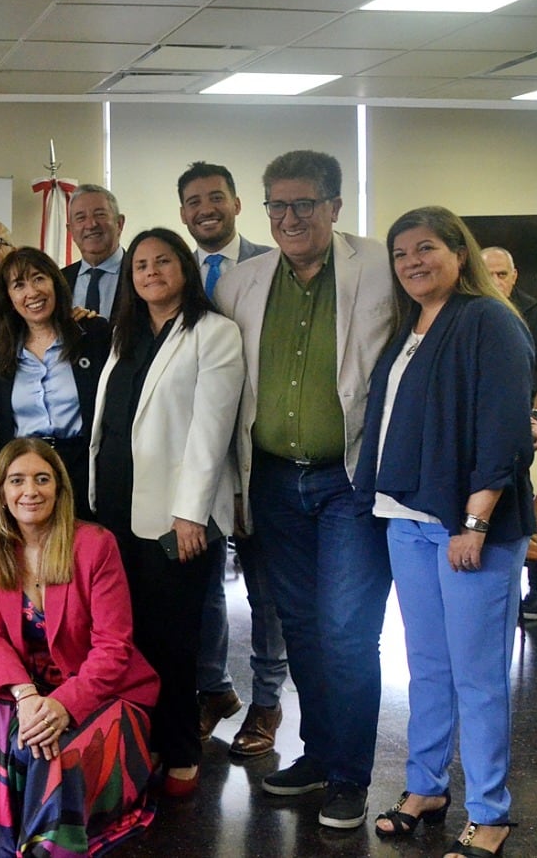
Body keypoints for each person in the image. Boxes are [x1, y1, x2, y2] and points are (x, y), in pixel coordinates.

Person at [213, 148, 397, 829]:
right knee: (305, 631)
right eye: (278, 206)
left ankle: (350, 775)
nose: (289, 218)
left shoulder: (379, 266)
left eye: (304, 204)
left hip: (348, 481)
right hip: (273, 486)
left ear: (335, 208)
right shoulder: (242, 281)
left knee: (349, 632)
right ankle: (319, 755)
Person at [360, 208, 536, 858]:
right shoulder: (410, 326)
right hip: (407, 520)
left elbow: (504, 429)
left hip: (470, 528)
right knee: (428, 667)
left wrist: (475, 519)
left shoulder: (488, 320)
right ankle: (426, 786)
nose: (412, 261)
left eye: (426, 247)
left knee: (478, 674)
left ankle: (490, 811)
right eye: (401, 252)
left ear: (457, 252)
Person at [0, 438, 159, 857]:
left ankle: (46, 848)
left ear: (59, 489)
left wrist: (62, 705)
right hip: (32, 683)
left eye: (42, 479)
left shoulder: (95, 545)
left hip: (104, 690)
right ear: (2, 492)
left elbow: (113, 648)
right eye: (17, 480)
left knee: (54, 749)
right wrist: (26, 695)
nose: (30, 491)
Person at [90, 227, 243, 796]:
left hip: (174, 522)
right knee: (125, 639)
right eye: (140, 265)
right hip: (113, 511)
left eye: (163, 261)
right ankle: (141, 743)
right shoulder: (124, 336)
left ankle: (180, 749)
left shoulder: (214, 334)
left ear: (185, 268)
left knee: (173, 642)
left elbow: (211, 431)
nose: (151, 272)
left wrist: (191, 514)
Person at [177, 160, 287, 759]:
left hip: (258, 453)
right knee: (204, 584)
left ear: (238, 203)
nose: (205, 209)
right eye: (194, 202)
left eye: (215, 198)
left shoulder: (275, 268)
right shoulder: (176, 274)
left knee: (264, 589)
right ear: (183, 214)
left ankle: (268, 702)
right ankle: (214, 689)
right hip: (200, 457)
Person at [0, 246, 110, 513]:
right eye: (19, 285)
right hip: (24, 471)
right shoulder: (0, 350)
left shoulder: (93, 334)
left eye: (39, 278)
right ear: (8, 297)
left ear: (56, 282)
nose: (32, 292)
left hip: (81, 465)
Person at [482, 245, 537, 622]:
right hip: (481, 427)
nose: (496, 282)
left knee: (526, 499)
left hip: (526, 425)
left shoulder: (535, 312)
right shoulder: (466, 310)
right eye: (490, 275)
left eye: (503, 274)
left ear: (514, 276)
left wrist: (531, 413)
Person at [62, 184, 126, 320]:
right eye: (80, 218)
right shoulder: (59, 281)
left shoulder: (142, 275)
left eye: (100, 215)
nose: (91, 224)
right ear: (70, 231)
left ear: (119, 223)